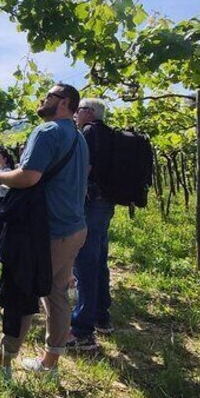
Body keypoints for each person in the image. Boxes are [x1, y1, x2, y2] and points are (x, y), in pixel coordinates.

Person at [0, 83, 88, 379]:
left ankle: (2, 365)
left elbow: (28, 176)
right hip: (75, 228)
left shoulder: (47, 132)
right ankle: (50, 365)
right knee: (57, 294)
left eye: (49, 95)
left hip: (45, 232)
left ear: (64, 103)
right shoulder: (78, 138)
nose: (43, 99)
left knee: (21, 293)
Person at [67, 98, 116, 350]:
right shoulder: (111, 135)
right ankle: (102, 316)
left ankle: (83, 330)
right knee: (99, 258)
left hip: (91, 201)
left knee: (85, 261)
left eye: (80, 110)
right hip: (107, 203)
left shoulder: (87, 133)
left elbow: (84, 168)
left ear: (90, 112)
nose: (76, 114)